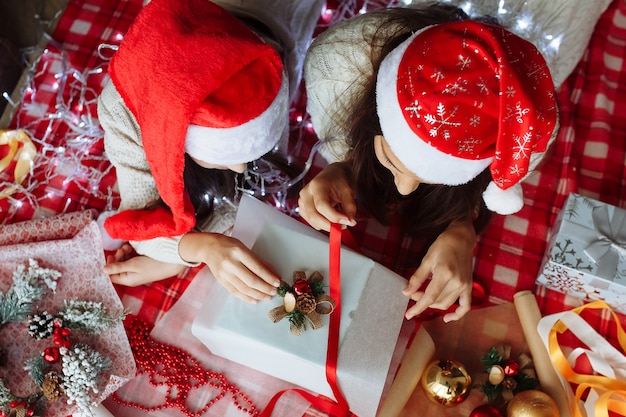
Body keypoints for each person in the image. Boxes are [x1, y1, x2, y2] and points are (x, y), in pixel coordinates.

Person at [298, 3, 559, 322]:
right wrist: (343, 164)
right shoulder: (340, 71)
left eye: (432, 178)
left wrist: (463, 225)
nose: (404, 190)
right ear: (372, 116)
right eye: (393, 162)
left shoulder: (524, 134)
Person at [97, 0, 323, 303]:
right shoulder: (122, 111)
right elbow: (140, 216)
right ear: (177, 139)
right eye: (227, 157)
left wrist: (180, 254)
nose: (242, 169)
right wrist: (199, 248)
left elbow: (242, 196)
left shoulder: (269, 76)